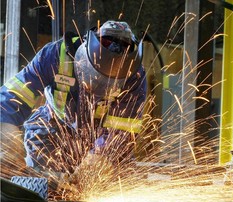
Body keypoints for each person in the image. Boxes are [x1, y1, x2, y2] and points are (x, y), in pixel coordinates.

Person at [0, 20, 147, 179]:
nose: (99, 88)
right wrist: (8, 144)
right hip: (53, 130)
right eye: (96, 79)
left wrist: (99, 160)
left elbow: (122, 133)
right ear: (83, 57)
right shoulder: (56, 55)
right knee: (39, 185)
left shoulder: (135, 76)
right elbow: (12, 96)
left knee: (118, 177)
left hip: (99, 138)